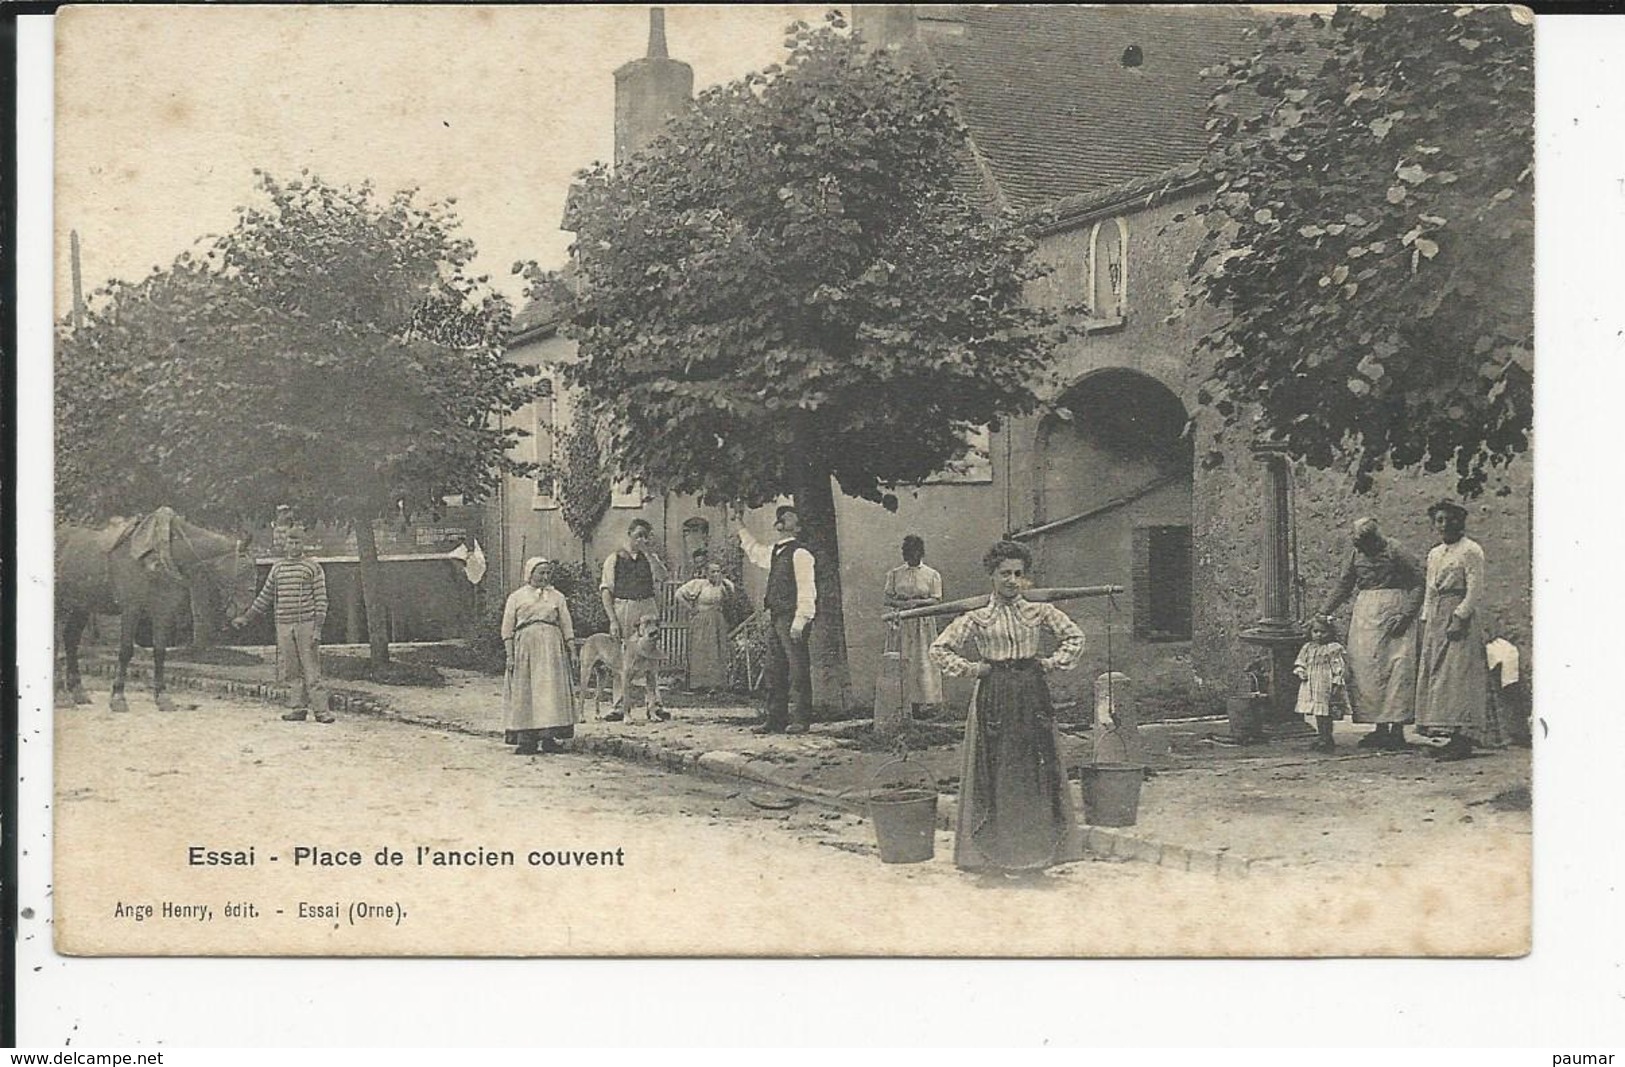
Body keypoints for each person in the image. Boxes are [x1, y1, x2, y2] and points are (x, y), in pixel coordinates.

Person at [929, 541, 1085, 875]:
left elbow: (1075, 638)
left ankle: (1036, 856)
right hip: (995, 694)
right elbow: (940, 649)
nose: (1012, 580)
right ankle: (992, 856)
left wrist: (1050, 663)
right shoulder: (978, 617)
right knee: (997, 772)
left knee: (1034, 771)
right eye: (1005, 574)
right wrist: (974, 669)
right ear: (992, 576)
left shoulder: (1039, 612)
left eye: (1018, 574)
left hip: (1031, 694)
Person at [1319, 517, 1424, 750]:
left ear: (1375, 538)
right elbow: (1344, 585)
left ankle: (1396, 731)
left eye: (1366, 543)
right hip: (1366, 614)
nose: (1362, 548)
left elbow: (1419, 582)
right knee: (1367, 670)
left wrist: (1406, 615)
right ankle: (1379, 728)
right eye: (1358, 544)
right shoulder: (1356, 554)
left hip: (1395, 610)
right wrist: (1323, 611)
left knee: (1397, 669)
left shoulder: (1395, 550)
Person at [1414, 500, 1492, 762]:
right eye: (1440, 520)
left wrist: (1459, 617)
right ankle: (1447, 733)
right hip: (1437, 615)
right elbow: (1429, 588)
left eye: (1450, 519)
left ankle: (1462, 739)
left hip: (1458, 614)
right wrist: (1426, 617)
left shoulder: (1471, 551)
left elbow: (1475, 590)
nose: (1445, 525)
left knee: (1458, 675)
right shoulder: (1435, 553)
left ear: (1461, 521)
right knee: (1439, 676)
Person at [232, 520, 330, 724]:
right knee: (290, 669)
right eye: (290, 543)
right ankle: (297, 708)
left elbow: (321, 600)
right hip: (284, 624)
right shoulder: (277, 569)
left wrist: (318, 629)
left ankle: (321, 711)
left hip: (307, 623)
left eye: (297, 543)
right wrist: (246, 617)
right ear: (284, 544)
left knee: (311, 667)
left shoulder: (313, 567)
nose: (293, 547)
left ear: (303, 544)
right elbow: (265, 597)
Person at [738, 506, 816, 734]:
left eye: (790, 515)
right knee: (774, 669)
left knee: (797, 669)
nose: (782, 516)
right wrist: (740, 526)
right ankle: (776, 718)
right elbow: (755, 552)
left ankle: (801, 719)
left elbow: (806, 589)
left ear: (798, 527)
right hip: (776, 616)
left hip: (792, 616)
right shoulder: (775, 551)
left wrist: (800, 620)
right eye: (781, 515)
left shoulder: (801, 553)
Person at [502, 557, 576, 755]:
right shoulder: (516, 597)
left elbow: (566, 623)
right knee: (527, 691)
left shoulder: (557, 597)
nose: (545, 577)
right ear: (530, 574)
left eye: (547, 573)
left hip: (552, 647)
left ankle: (549, 737)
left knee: (550, 690)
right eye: (540, 572)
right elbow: (507, 629)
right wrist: (510, 656)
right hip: (526, 647)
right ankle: (526, 740)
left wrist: (571, 647)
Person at [599, 518, 668, 720]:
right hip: (625, 607)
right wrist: (612, 619)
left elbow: (663, 577)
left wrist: (650, 554)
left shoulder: (650, 558)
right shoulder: (615, 558)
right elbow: (606, 591)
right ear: (629, 534)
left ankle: (654, 705)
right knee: (623, 656)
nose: (642, 539)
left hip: (647, 606)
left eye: (645, 536)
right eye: (638, 535)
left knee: (651, 655)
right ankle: (619, 706)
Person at [883, 534, 945, 719]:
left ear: (920, 552)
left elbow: (936, 600)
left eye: (913, 552)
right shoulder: (894, 574)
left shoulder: (931, 575)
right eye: (906, 552)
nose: (909, 556)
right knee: (903, 659)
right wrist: (902, 605)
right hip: (902, 623)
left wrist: (917, 604)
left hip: (922, 625)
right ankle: (904, 704)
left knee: (922, 661)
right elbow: (887, 598)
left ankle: (924, 705)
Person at [1294, 616, 1352, 754]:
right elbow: (1301, 662)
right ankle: (1322, 736)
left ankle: (1326, 738)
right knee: (1318, 713)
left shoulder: (1333, 648)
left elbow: (1339, 666)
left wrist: (1337, 681)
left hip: (1325, 683)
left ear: (1331, 633)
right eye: (1315, 631)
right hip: (1311, 683)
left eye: (1323, 632)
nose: (1319, 635)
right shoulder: (1308, 647)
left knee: (1325, 712)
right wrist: (1301, 671)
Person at [675, 561, 734, 694]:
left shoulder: (724, 585)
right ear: (706, 573)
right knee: (701, 649)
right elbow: (678, 594)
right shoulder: (698, 584)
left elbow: (731, 597)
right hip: (701, 620)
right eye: (713, 572)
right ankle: (699, 684)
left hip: (718, 620)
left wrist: (724, 584)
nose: (716, 574)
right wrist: (691, 609)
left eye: (718, 571)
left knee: (717, 651)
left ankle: (716, 685)